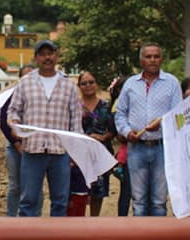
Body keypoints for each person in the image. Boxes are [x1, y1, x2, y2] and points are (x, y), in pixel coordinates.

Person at [6, 40, 82, 217]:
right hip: (33, 150)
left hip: (60, 151)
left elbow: (76, 120)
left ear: (56, 56)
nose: (47, 58)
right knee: (28, 201)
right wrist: (15, 125)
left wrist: (75, 151)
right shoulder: (25, 82)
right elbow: (13, 110)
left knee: (60, 201)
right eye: (42, 54)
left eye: (51, 53)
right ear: (36, 58)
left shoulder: (68, 84)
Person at [115, 43, 182, 216]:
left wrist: (161, 123)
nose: (152, 60)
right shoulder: (130, 84)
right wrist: (127, 131)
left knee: (159, 201)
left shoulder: (172, 83)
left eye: (156, 56)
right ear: (141, 60)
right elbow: (120, 113)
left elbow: (179, 116)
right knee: (138, 201)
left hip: (162, 148)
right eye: (148, 56)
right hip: (136, 148)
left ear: (162, 59)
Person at [75, 71, 114, 216]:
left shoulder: (106, 106)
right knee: (80, 190)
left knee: (98, 191)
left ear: (96, 84)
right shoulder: (74, 106)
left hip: (100, 154)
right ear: (79, 86)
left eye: (91, 82)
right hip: (79, 155)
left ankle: (94, 221)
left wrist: (102, 137)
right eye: (84, 83)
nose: (88, 86)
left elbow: (113, 130)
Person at [0, 64, 34, 216]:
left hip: (34, 147)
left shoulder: (40, 97)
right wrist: (17, 144)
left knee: (34, 186)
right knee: (15, 186)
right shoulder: (11, 95)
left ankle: (33, 219)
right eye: (25, 75)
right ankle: (11, 218)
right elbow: (3, 122)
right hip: (14, 147)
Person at [109, 76, 132, 217]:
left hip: (128, 150)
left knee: (127, 191)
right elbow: (118, 132)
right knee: (127, 190)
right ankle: (122, 218)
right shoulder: (118, 106)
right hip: (129, 150)